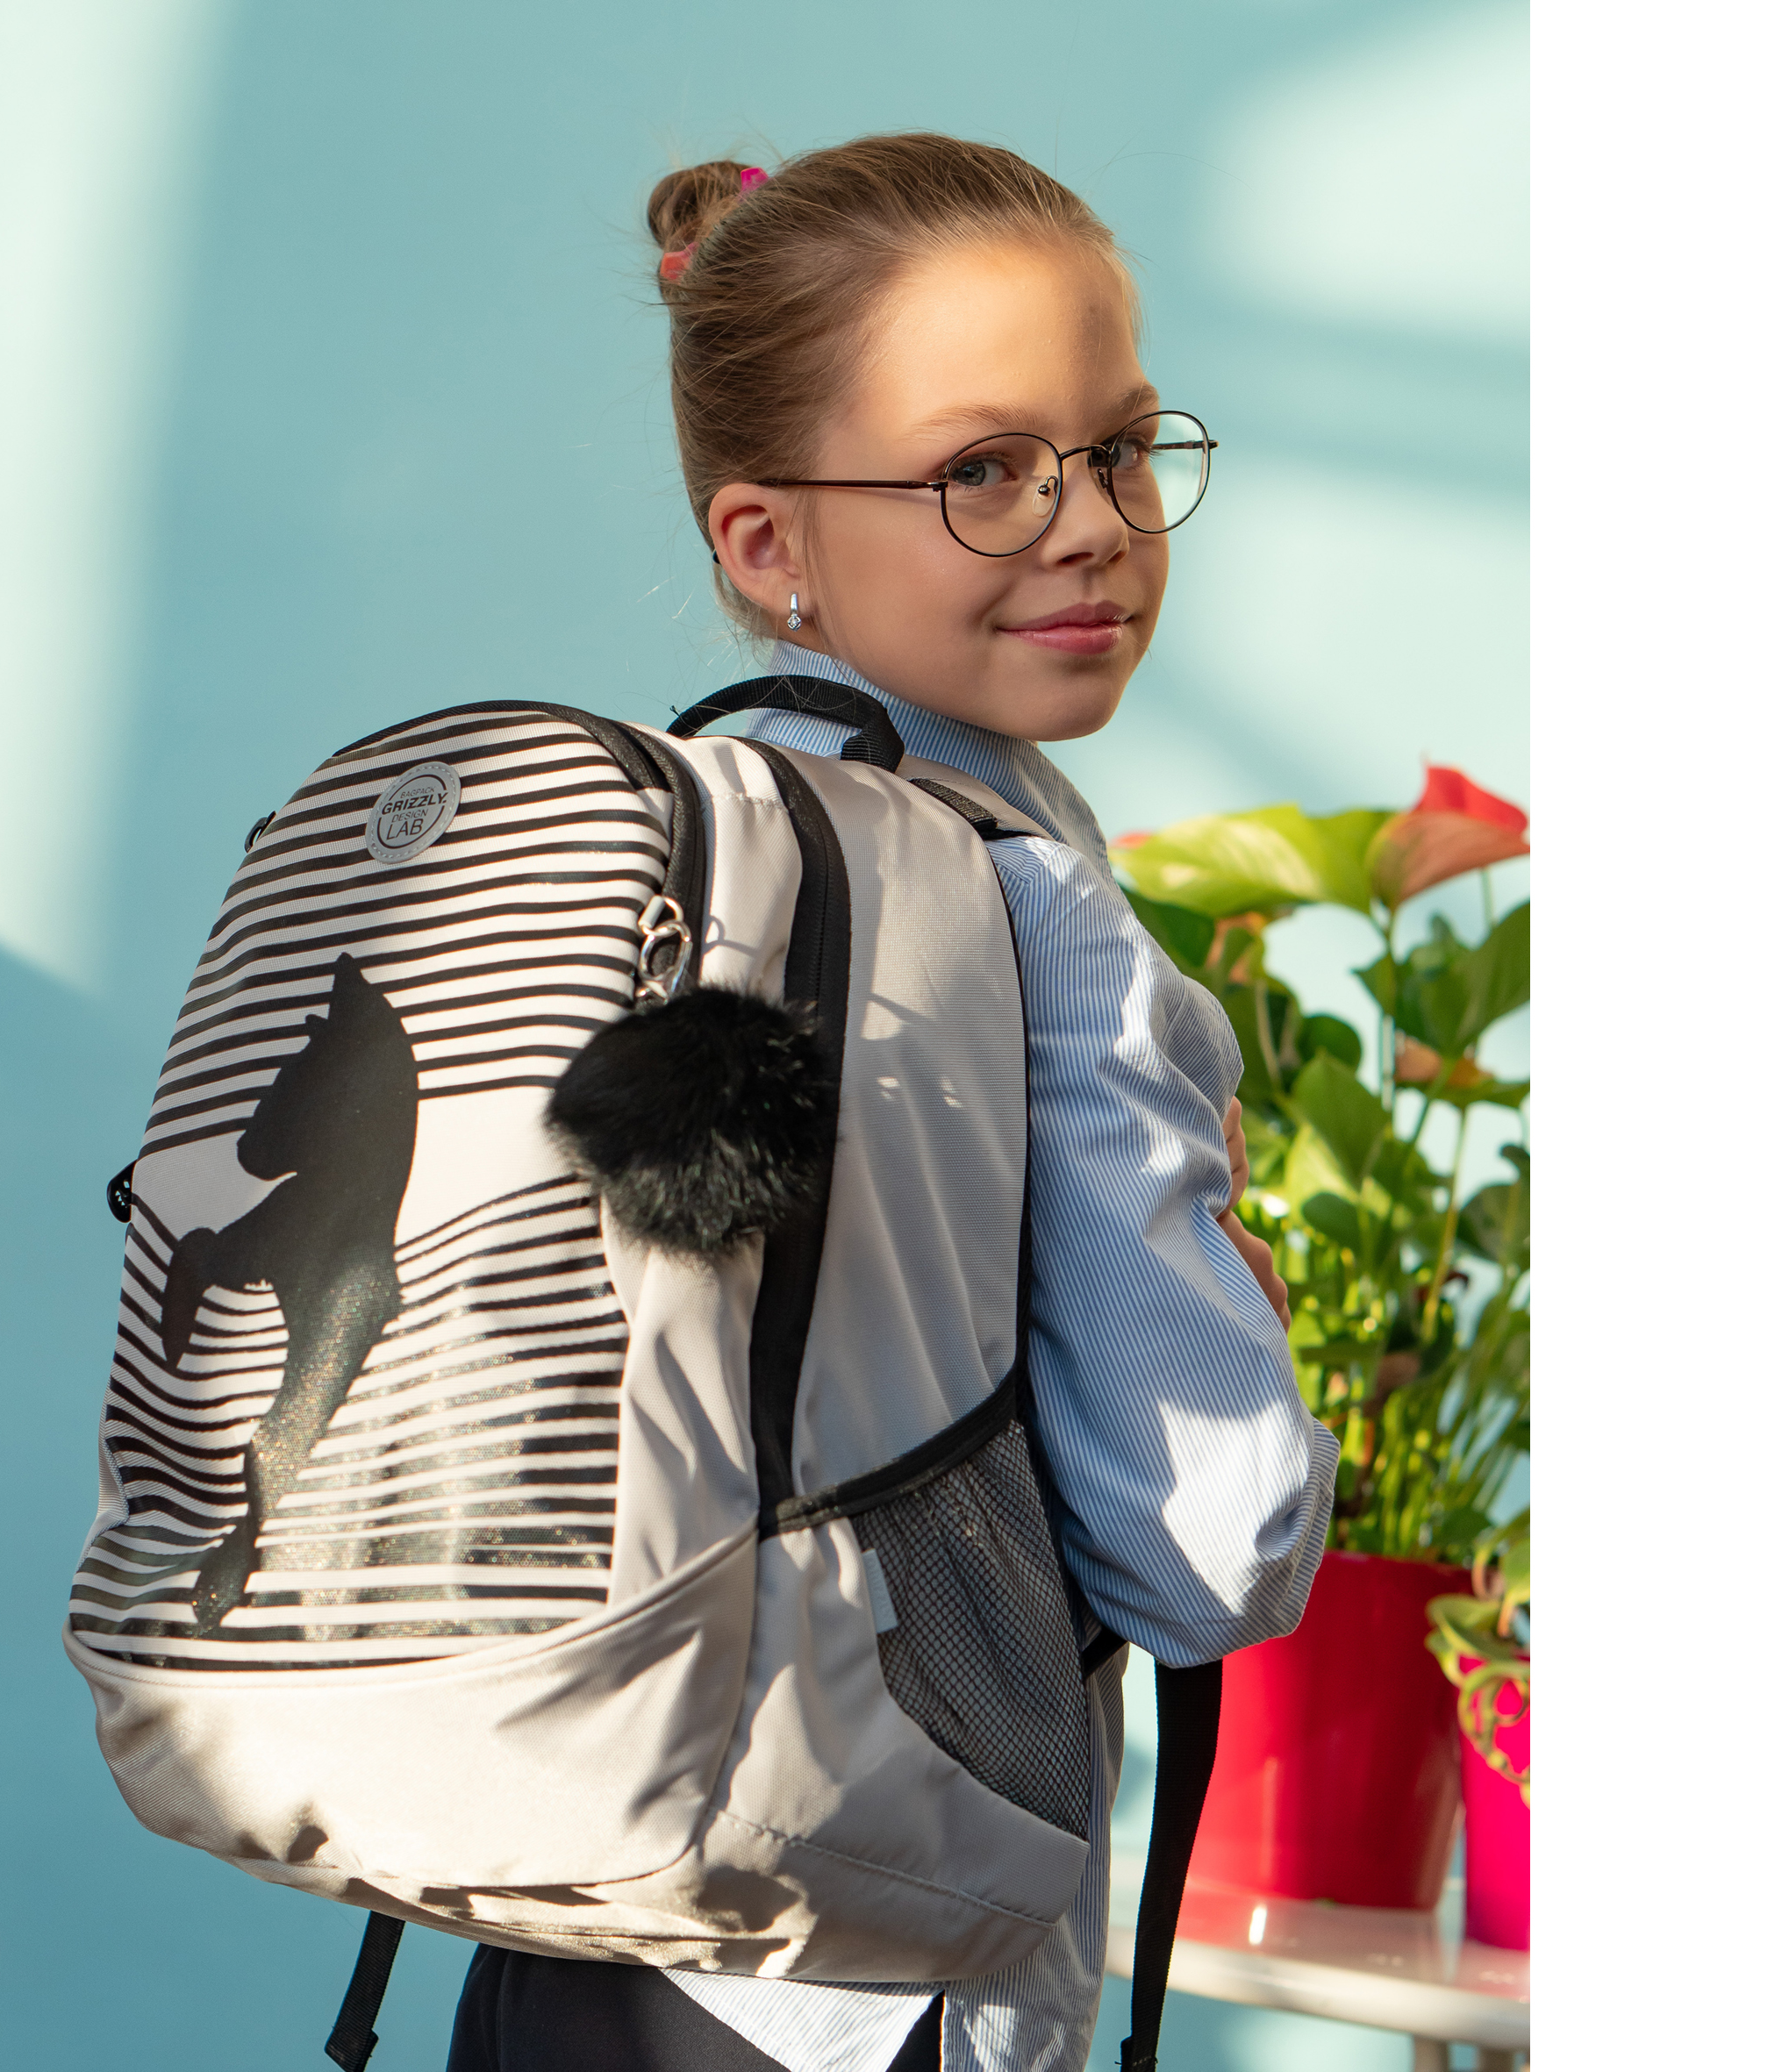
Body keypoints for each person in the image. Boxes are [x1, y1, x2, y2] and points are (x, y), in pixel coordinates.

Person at [445, 132, 1337, 2072]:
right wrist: (1235, 1326)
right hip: (863, 1955)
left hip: (556, 1906)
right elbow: (1212, 1543)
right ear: (766, 544)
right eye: (982, 472)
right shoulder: (1027, 905)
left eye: (1118, 447)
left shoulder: (656, 848)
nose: (1089, 524)